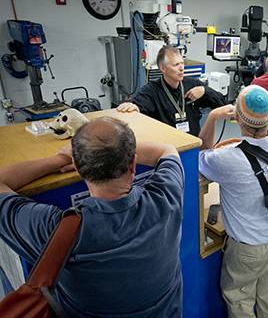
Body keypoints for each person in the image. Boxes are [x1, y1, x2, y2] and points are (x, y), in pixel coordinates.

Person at [0, 117, 184, 318]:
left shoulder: (56, 230)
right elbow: (167, 150)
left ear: (78, 169)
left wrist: (61, 159)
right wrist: (118, 149)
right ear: (133, 165)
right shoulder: (166, 197)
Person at [199, 85, 268, 318]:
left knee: (240, 301)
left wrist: (213, 116)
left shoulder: (226, 159)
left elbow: (202, 151)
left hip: (248, 249)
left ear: (236, 118)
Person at [117, 45, 225, 136]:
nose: (182, 68)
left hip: (193, 143)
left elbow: (221, 102)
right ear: (163, 68)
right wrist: (133, 106)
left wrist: (205, 91)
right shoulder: (152, 90)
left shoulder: (193, 85)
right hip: (169, 147)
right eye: (176, 65)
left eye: (182, 63)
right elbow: (139, 104)